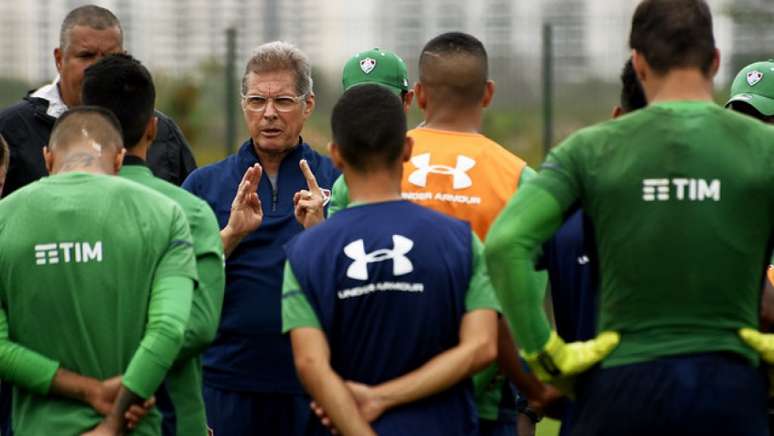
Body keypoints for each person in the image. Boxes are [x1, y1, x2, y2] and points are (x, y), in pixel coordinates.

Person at [485, 0, 774, 434]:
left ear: (638, 64)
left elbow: (506, 244)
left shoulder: (589, 149)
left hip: (619, 386)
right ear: (714, 62)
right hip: (729, 385)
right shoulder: (763, 148)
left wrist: (550, 359)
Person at [325, 35, 557, 436]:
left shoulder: (362, 175)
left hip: (372, 397)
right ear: (487, 94)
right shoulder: (519, 179)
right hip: (478, 402)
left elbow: (334, 291)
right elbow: (522, 309)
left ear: (419, 95)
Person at [283, 83, 499, 435]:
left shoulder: (307, 250)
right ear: (408, 148)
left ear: (336, 155)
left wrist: (367, 412)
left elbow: (309, 362)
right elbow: (483, 346)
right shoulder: (462, 241)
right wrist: (384, 398)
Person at [0, 106, 197, 435]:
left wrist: (86, 390)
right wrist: (112, 423)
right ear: (120, 159)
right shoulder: (166, 215)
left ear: (48, 158)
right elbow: (169, 329)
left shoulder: (6, 218)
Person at [182, 41, 339, 435]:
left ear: (308, 105)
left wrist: (321, 233)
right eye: (257, 100)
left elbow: (359, 283)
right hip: (227, 382)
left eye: (284, 100)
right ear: (243, 105)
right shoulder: (204, 185)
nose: (269, 113)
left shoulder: (336, 181)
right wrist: (231, 234)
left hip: (312, 384)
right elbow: (180, 281)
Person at [81, 53, 225, 436]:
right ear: (152, 127)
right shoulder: (191, 212)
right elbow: (197, 326)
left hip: (67, 412)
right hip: (168, 417)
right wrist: (135, 377)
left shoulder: (38, 210)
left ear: (84, 128)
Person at [537, 57, 646, 436]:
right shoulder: (708, 202)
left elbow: (498, 268)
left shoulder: (563, 209)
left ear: (617, 116)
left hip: (586, 414)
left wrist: (538, 376)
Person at [0, 4, 196, 198]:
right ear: (59, 59)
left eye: (110, 57)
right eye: (86, 56)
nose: (98, 67)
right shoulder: (11, 130)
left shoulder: (160, 132)